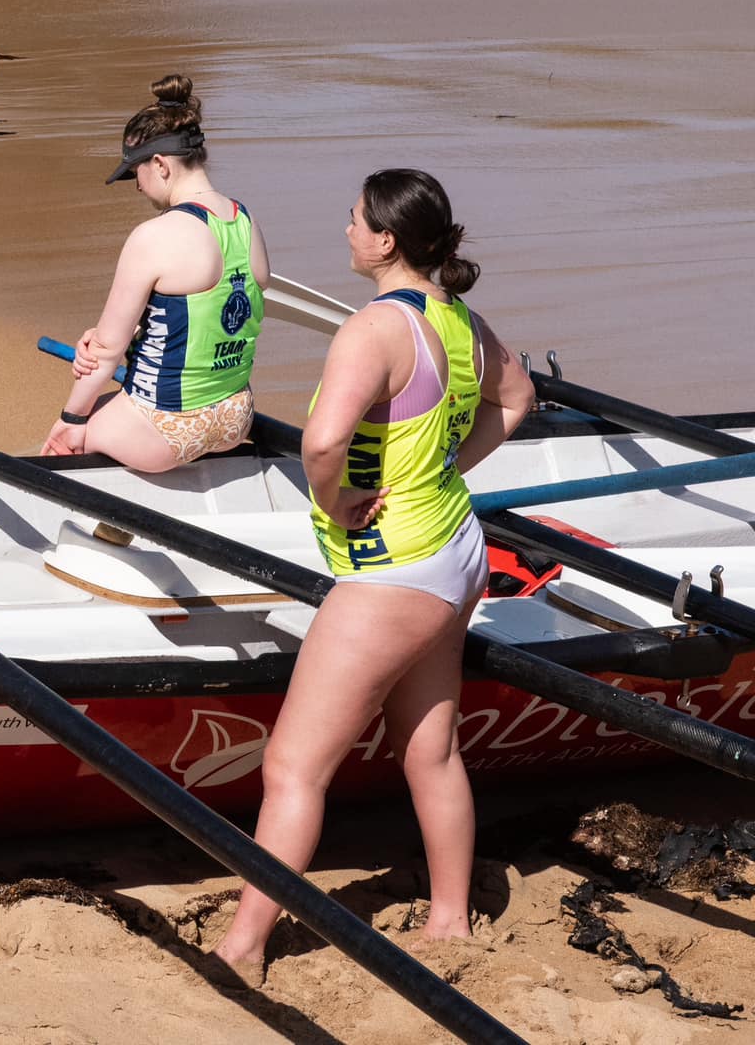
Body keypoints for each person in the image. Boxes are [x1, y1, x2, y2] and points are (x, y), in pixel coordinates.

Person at [213, 168, 533, 985]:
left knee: (293, 769)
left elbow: (322, 442)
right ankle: (451, 920)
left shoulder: (373, 329)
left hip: (395, 570)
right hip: (456, 548)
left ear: (386, 240)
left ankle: (244, 945)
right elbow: (517, 397)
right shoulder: (460, 319)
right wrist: (444, 469)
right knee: (431, 751)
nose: (346, 230)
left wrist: (335, 498)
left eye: (355, 219)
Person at [42, 76, 267, 472]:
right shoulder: (245, 221)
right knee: (105, 405)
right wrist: (131, 334)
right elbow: (217, 310)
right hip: (236, 417)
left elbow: (106, 353)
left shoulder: (154, 236)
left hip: (166, 430)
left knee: (68, 437)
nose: (137, 188)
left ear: (160, 165)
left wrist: (70, 420)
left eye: (136, 173)